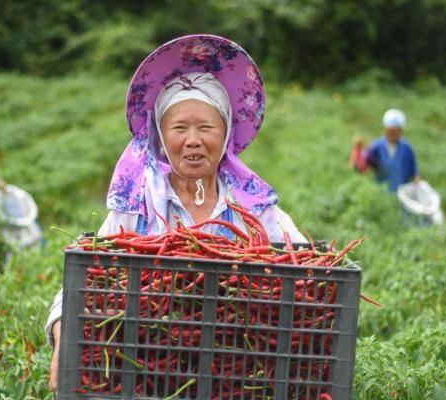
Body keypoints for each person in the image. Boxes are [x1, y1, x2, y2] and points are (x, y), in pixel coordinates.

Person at [45, 34, 306, 391]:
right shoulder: (134, 209)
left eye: (206, 127)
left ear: (226, 134)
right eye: (179, 128)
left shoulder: (256, 210)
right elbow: (76, 285)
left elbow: (309, 274)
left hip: (239, 380)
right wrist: (63, 338)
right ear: (160, 138)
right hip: (146, 379)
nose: (193, 139)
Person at [364, 108, 420, 192]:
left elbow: (414, 170)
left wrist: (417, 180)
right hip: (381, 191)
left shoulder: (407, 148)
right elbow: (365, 159)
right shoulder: (377, 146)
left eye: (396, 132)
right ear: (385, 130)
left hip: (401, 192)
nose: (393, 134)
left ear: (401, 131)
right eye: (390, 131)